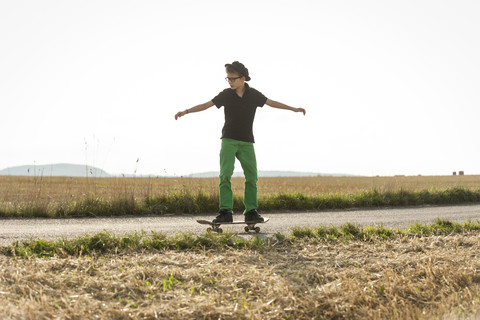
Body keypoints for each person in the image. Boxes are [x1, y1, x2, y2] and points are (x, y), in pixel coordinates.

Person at [175, 61, 306, 223]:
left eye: (233, 79)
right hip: (228, 140)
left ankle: (251, 211)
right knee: (225, 176)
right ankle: (225, 212)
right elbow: (206, 105)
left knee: (252, 177)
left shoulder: (254, 95)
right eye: (227, 79)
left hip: (247, 142)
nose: (230, 82)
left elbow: (272, 103)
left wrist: (294, 109)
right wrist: (186, 111)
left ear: (243, 78)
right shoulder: (225, 94)